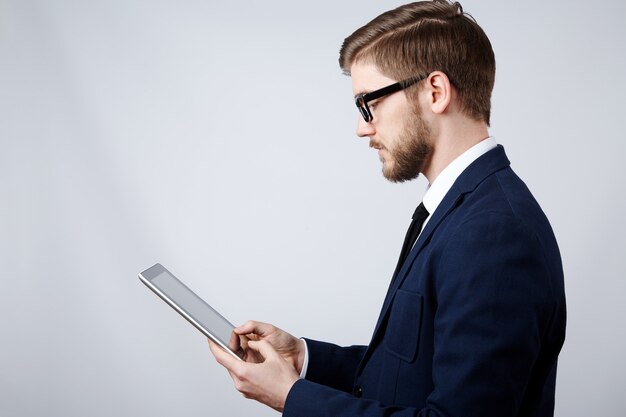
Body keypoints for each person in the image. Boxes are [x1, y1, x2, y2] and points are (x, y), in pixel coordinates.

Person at [208, 1, 566, 416]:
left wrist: (292, 397)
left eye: (369, 102)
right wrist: (303, 360)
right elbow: (411, 373)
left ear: (435, 91)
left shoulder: (494, 232)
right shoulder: (461, 210)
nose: (363, 127)